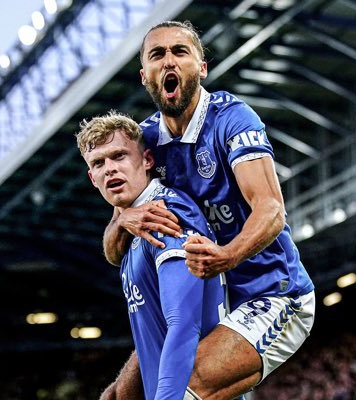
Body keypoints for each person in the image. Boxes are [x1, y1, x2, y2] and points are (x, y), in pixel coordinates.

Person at [101, 20, 315, 400]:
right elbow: (113, 250)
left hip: (271, 294)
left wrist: (227, 256)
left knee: (185, 384)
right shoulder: (145, 141)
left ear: (200, 69)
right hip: (204, 298)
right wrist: (124, 219)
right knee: (120, 395)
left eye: (179, 52)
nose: (169, 61)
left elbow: (270, 209)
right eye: (157, 54)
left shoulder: (231, 119)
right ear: (144, 75)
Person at [75, 110, 228, 400]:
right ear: (92, 178)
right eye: (98, 163)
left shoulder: (164, 216)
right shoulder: (133, 225)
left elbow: (183, 324)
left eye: (119, 156)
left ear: (147, 160)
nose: (109, 169)